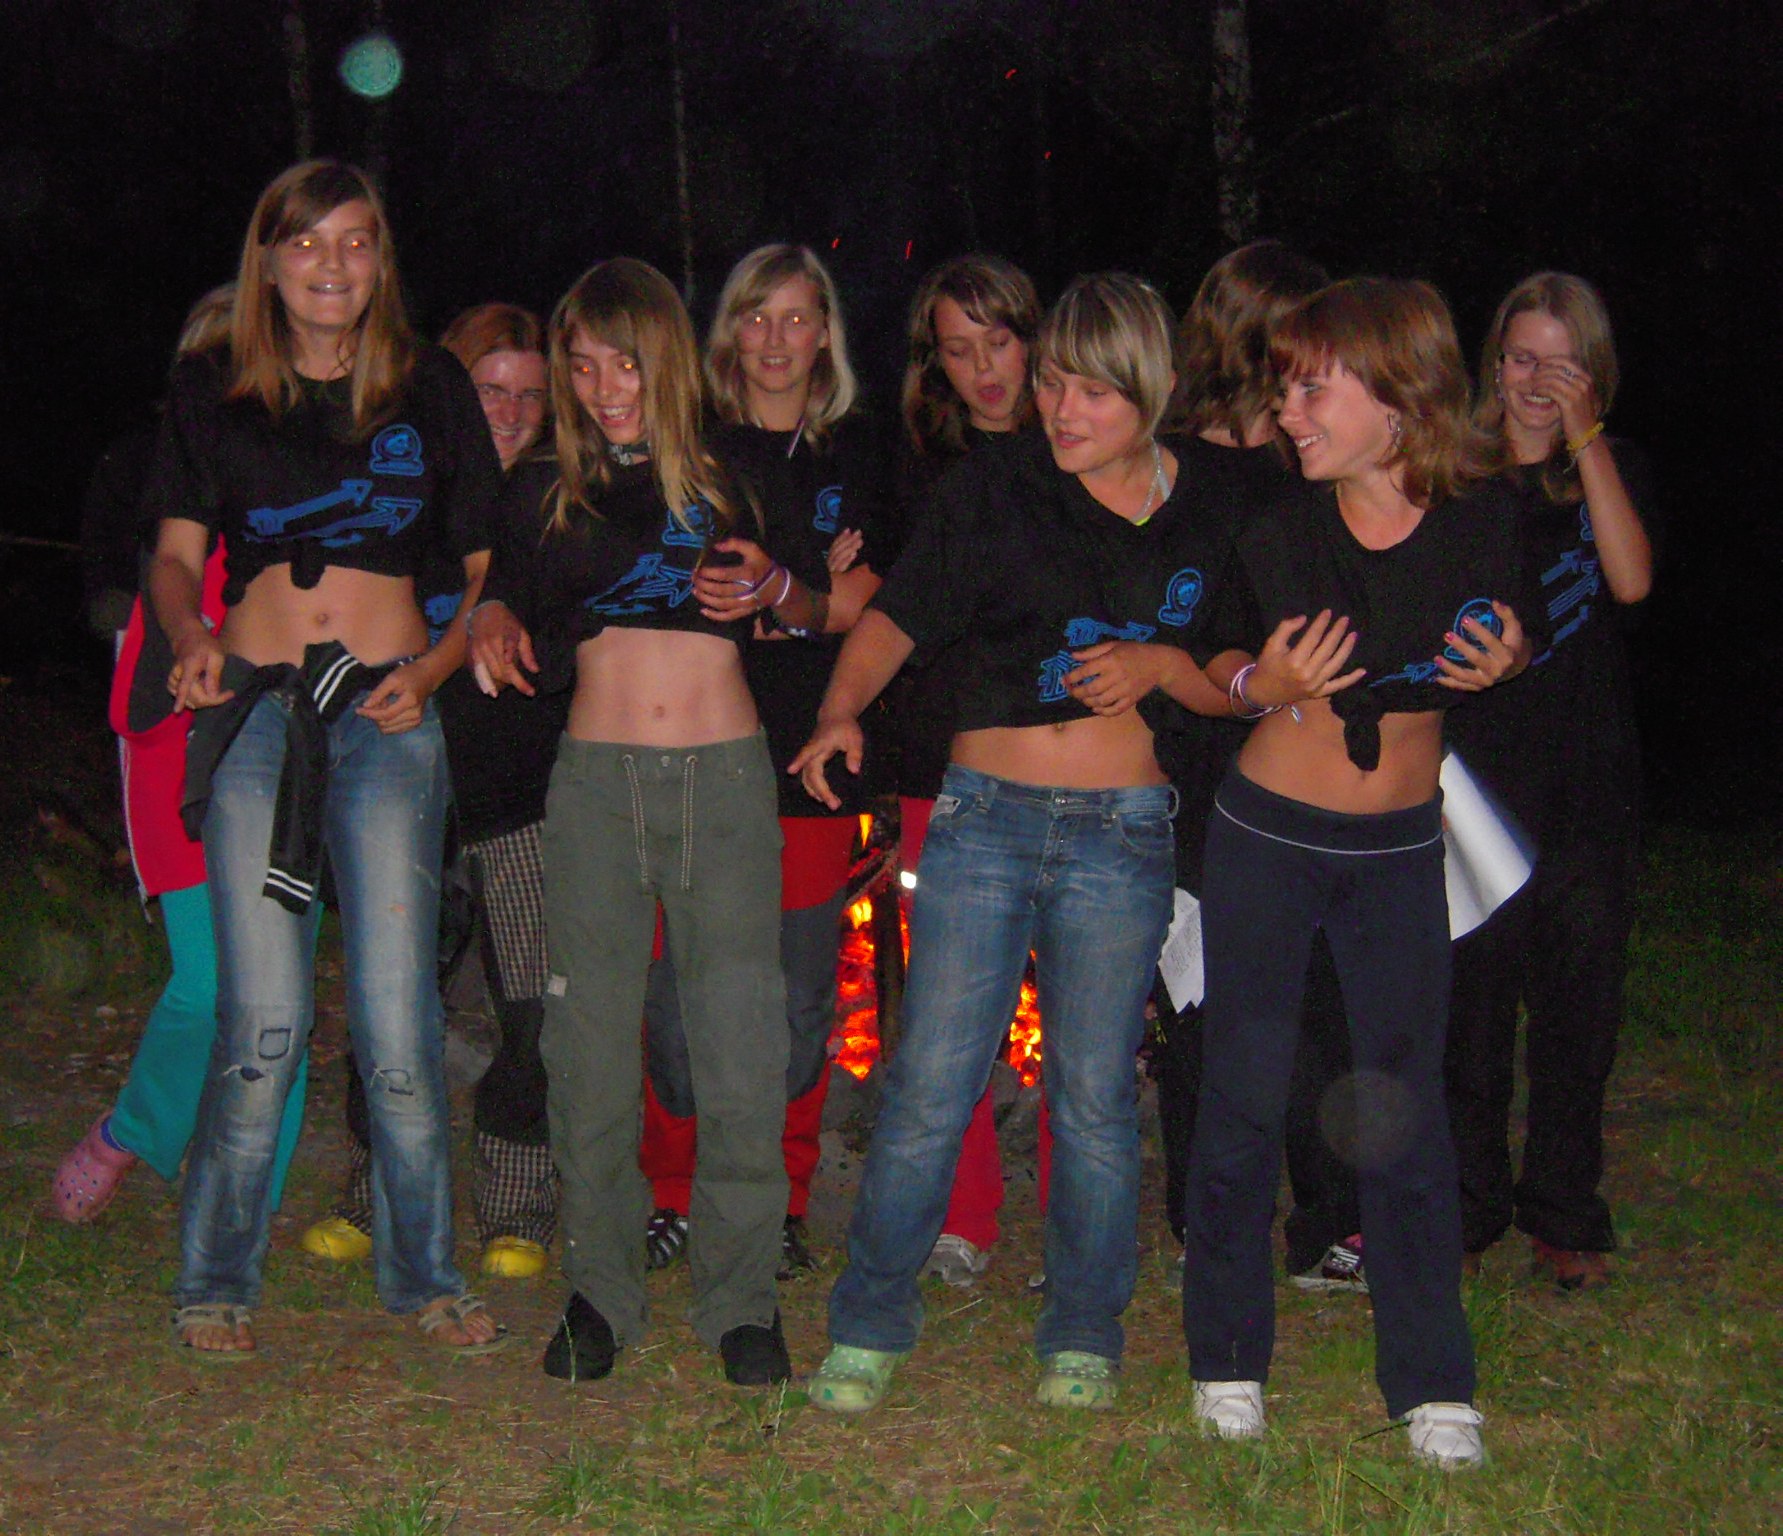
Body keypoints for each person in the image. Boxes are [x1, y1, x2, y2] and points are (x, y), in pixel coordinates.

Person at [794, 272, 1239, 1414]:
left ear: (1147, 389)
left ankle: (1082, 1330)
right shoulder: (992, 487)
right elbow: (895, 618)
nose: (1058, 410)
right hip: (984, 820)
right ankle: (869, 1319)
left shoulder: (1215, 499)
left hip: (1123, 831)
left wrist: (1163, 667)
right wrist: (839, 711)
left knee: (1093, 1095)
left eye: (1089, 391)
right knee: (930, 1081)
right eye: (1051, 384)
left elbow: (1237, 674)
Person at [1181, 277, 1540, 1466]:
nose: (1286, 412)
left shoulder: (1481, 519)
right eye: (1283, 388)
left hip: (1397, 850)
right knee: (1242, 1097)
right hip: (1268, 839)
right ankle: (1228, 1360)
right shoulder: (1276, 527)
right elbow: (1212, 653)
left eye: (1310, 388)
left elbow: (1520, 623)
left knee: (1402, 1107)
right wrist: (1260, 685)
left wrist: (1508, 656)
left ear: (1397, 397)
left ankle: (1432, 1383)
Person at [148, 160, 504, 1358]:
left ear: (380, 259)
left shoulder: (428, 383)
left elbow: (484, 570)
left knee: (399, 1023)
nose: (332, 265)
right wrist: (188, 634)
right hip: (259, 717)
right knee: (265, 1021)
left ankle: (425, 1276)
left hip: (390, 716)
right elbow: (173, 555)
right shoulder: (214, 388)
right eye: (306, 243)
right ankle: (215, 1280)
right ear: (268, 260)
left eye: (355, 241)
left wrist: (436, 671)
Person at [469, 257, 827, 1387]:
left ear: (664, 357)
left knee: (739, 1042)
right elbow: (495, 588)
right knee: (586, 1046)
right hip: (593, 784)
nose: (603, 388)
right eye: (581, 367)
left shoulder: (740, 468)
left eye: (622, 364)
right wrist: (487, 619)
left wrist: (773, 591)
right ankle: (600, 1293)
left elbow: (816, 607)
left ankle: (741, 1300)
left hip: (722, 782)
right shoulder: (547, 484)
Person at [300, 302, 565, 1280]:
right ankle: (376, 1187)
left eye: (530, 396)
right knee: (392, 993)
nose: (510, 411)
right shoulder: (404, 489)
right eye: (491, 389)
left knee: (530, 1006)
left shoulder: (558, 501)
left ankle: (517, 1200)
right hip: (403, 771)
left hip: (522, 789)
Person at [638, 243, 887, 1279]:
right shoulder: (688, 447)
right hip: (692, 746)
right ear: (728, 331)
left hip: (809, 759)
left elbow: (873, 604)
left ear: (825, 331)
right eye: (755, 316)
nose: (775, 338)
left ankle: (778, 1200)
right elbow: (676, 592)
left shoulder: (860, 454)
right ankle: (671, 1192)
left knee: (793, 998)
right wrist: (805, 601)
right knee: (677, 995)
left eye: (796, 317)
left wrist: (794, 601)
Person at [52, 286, 311, 1226]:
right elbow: (105, 591)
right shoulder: (144, 464)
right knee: (209, 983)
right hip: (173, 735)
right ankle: (131, 1130)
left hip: (286, 738)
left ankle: (246, 1195)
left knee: (281, 988)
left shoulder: (316, 472)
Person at [1152, 239, 1366, 1294]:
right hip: (1199, 745)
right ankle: (1205, 1214)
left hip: (1308, 748)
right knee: (1198, 990)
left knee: (1318, 986)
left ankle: (1332, 1214)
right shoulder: (1170, 465)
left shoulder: (1313, 460)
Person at [1444, 273, 1654, 1290]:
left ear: (1592, 373)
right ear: (1494, 362)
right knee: (1470, 1011)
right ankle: (1466, 1205)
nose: (1537, 380)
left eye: (1561, 364)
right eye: (1522, 358)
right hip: (1475, 781)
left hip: (1587, 779)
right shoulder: (1453, 474)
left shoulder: (1609, 469)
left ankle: (1564, 1209)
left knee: (1577, 1010)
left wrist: (1585, 437)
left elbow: (1630, 580)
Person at [890, 254, 1042, 1288]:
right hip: (937, 765)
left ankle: (1077, 1218)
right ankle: (962, 1214)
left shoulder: (1084, 447)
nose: (984, 369)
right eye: (958, 349)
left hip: (1071, 763)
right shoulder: (915, 469)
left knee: (1077, 1010)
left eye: (998, 341)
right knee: (950, 1006)